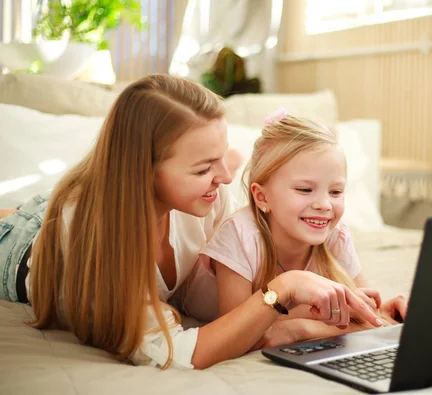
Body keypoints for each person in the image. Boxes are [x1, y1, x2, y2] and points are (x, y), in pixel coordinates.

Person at [0, 74, 382, 371]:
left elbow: (245, 288)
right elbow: (177, 352)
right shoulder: (96, 244)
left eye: (223, 157)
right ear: (144, 173)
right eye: (203, 168)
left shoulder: (206, 199)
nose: (227, 177)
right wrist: (283, 288)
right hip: (22, 245)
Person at [198, 108, 407, 349]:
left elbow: (370, 320)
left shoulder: (336, 235)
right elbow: (237, 332)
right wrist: (318, 316)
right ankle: (232, 164)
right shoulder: (239, 235)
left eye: (336, 191)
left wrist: (298, 329)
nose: (324, 205)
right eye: (305, 190)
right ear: (262, 197)